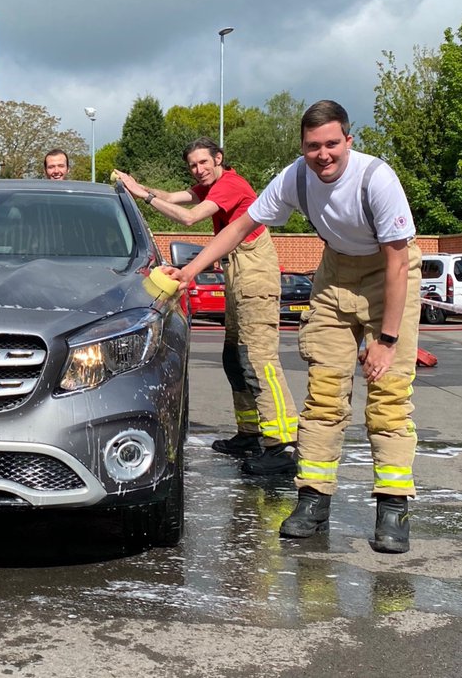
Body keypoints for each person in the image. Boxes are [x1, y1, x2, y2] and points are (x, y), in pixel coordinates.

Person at [167, 100, 421, 554]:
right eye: (312, 146)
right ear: (302, 146)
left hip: (389, 275)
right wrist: (191, 270)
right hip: (335, 274)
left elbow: (398, 260)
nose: (323, 155)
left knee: (388, 398)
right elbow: (240, 225)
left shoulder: (375, 178)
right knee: (323, 394)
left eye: (331, 144)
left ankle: (393, 507)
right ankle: (313, 501)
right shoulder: (295, 177)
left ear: (348, 140)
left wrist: (386, 340)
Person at [114, 139, 298, 477]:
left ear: (219, 159)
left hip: (254, 272)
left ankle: (282, 445)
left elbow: (188, 217)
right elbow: (173, 198)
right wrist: (139, 188)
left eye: (203, 163)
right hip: (237, 270)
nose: (199, 170)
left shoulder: (229, 184)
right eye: (193, 166)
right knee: (234, 357)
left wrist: (145, 197)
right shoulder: (210, 185)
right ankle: (250, 433)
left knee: (258, 359)